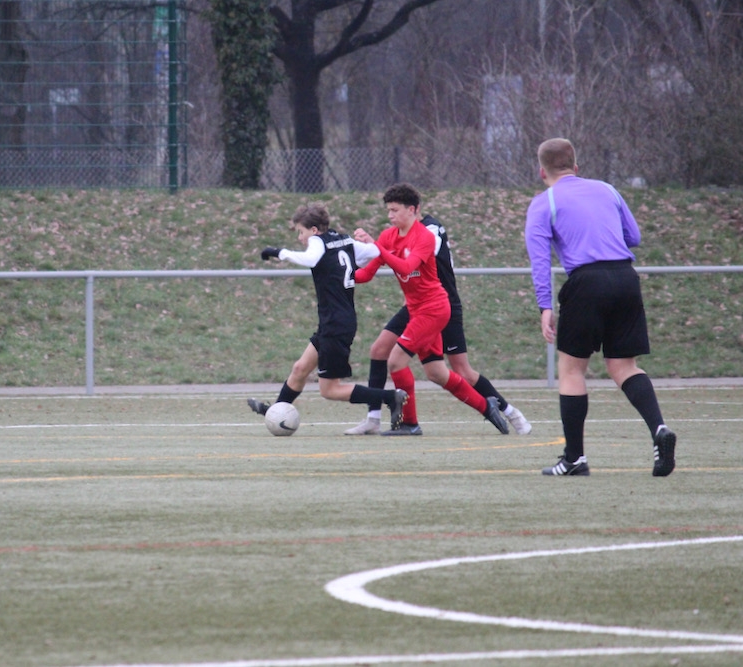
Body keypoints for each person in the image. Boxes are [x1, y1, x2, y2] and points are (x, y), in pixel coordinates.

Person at [525, 137, 676, 477]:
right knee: (624, 366)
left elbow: (539, 259)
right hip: (625, 277)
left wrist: (544, 306)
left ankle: (574, 459)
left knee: (572, 370)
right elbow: (633, 237)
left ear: (542, 172)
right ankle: (659, 429)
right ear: (576, 167)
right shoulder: (608, 190)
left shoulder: (544, 202)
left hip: (587, 282)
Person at [344, 184, 532, 436]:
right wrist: (339, 276)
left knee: (407, 362)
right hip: (416, 307)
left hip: (437, 307)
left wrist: (377, 247)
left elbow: (406, 266)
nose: (390, 215)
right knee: (433, 370)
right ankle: (485, 407)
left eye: (395, 210)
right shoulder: (389, 236)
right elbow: (367, 272)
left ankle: (411, 423)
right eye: (388, 210)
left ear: (413, 210)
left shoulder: (426, 234)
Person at [246, 202, 407, 430]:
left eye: (301, 232)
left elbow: (310, 259)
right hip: (336, 321)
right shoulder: (343, 240)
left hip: (335, 324)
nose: (300, 238)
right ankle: (276, 411)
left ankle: (390, 397)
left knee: (330, 389)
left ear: (313, 230)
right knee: (300, 369)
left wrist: (278, 252)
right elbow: (373, 252)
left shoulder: (317, 242)